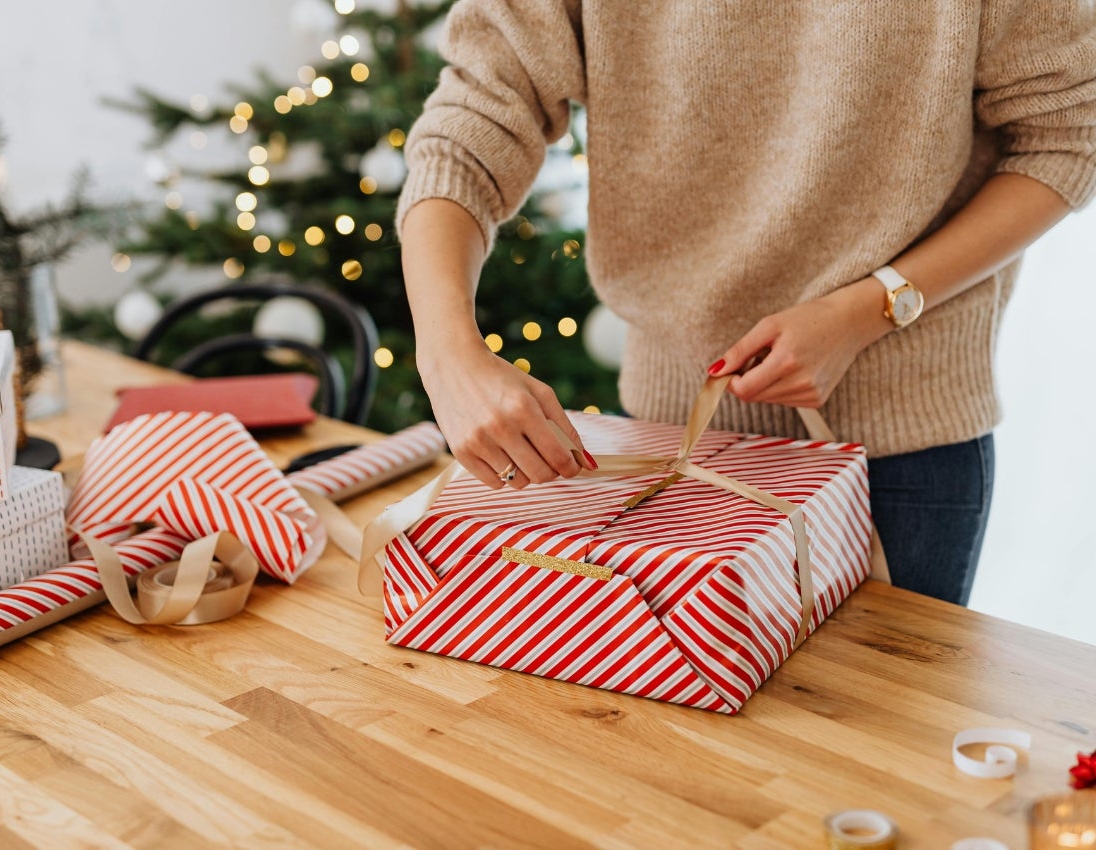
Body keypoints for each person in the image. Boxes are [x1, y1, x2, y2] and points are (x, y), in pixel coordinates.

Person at [394, 0, 1096, 606]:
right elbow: (472, 125)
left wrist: (868, 309)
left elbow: (1070, 133)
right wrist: (447, 351)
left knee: (868, 757)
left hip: (898, 458)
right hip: (666, 440)